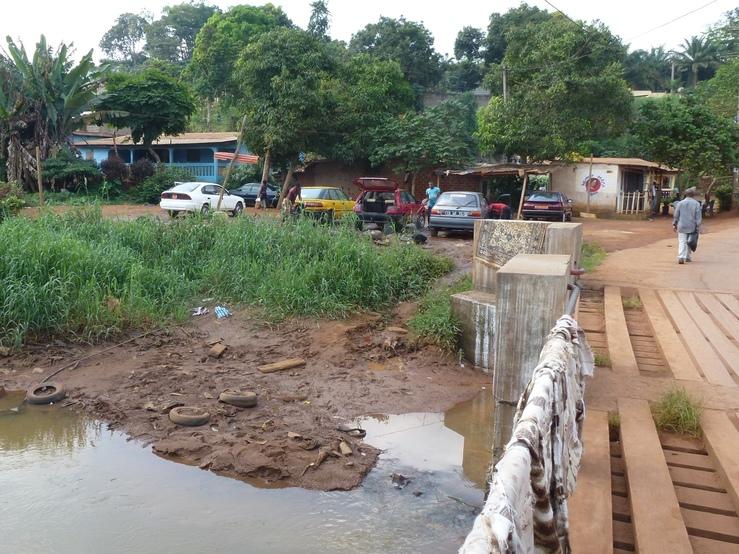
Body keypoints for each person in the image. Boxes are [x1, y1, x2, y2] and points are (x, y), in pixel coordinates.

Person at [672, 187, 701, 264]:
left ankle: (681, 257)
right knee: (690, 241)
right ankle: (687, 257)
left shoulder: (680, 203)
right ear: (693, 195)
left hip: (682, 226)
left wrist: (674, 224)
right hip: (692, 226)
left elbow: (676, 215)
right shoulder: (696, 204)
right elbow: (698, 217)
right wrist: (698, 226)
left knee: (682, 241)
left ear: (685, 195)